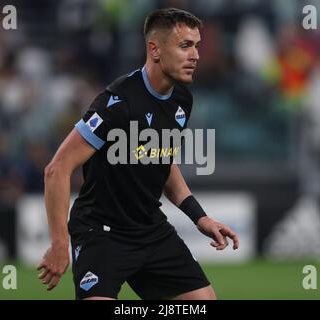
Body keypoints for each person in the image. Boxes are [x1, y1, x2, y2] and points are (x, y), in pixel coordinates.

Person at [37, 8, 239, 300]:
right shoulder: (117, 103)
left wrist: (200, 218)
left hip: (150, 230)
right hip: (102, 232)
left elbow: (162, 161)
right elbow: (57, 169)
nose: (195, 55)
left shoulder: (182, 98)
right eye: (185, 46)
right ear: (155, 49)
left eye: (196, 45)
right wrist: (59, 243)